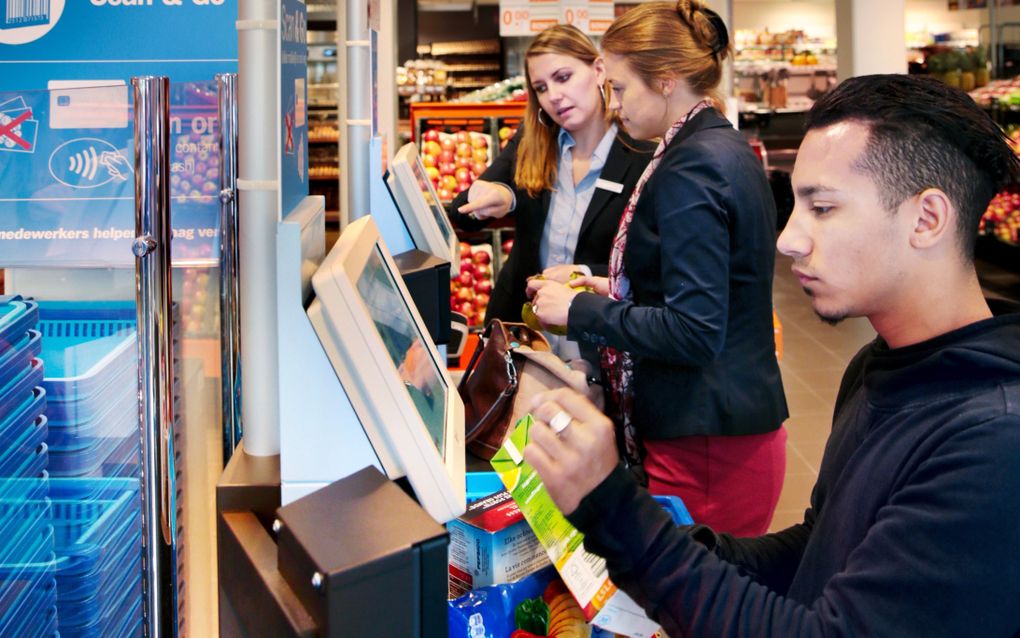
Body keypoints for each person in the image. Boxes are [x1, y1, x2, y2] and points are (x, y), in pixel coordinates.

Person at [523, 73, 1020, 636]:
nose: (788, 239)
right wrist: (687, 544)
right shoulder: (876, 368)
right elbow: (823, 548)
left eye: (824, 208)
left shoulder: (994, 443)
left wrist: (617, 510)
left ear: (926, 219)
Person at [527, 0, 787, 535]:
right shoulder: (716, 145)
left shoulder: (691, 167)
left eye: (620, 88)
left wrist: (583, 309)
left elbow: (694, 330)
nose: (614, 104)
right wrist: (615, 283)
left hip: (707, 441)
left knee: (698, 607)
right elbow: (708, 284)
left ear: (666, 80)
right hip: (717, 428)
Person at [449, 24, 653, 364]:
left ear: (598, 69)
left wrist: (583, 273)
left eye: (563, 77)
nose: (553, 96)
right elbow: (461, 213)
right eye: (541, 87)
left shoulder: (640, 155)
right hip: (523, 339)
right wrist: (503, 195)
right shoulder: (533, 142)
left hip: (598, 346)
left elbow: (645, 267)